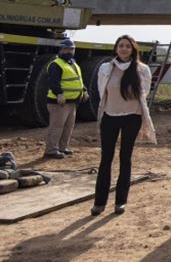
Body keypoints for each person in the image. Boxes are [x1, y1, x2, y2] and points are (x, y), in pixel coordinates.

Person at [91, 35, 157, 216]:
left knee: (125, 158)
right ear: (116, 49)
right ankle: (99, 202)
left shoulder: (141, 69)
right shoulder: (106, 68)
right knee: (106, 159)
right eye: (121, 46)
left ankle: (120, 201)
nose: (124, 49)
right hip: (109, 116)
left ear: (133, 49)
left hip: (132, 117)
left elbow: (144, 92)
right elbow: (101, 90)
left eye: (128, 46)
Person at [44, 38, 85, 159]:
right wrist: (59, 94)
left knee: (68, 126)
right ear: (61, 50)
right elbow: (53, 82)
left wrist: (84, 90)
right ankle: (51, 150)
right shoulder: (56, 64)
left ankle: (62, 148)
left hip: (72, 101)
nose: (69, 51)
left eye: (71, 49)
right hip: (59, 102)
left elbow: (77, 80)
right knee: (57, 126)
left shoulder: (73, 64)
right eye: (66, 49)